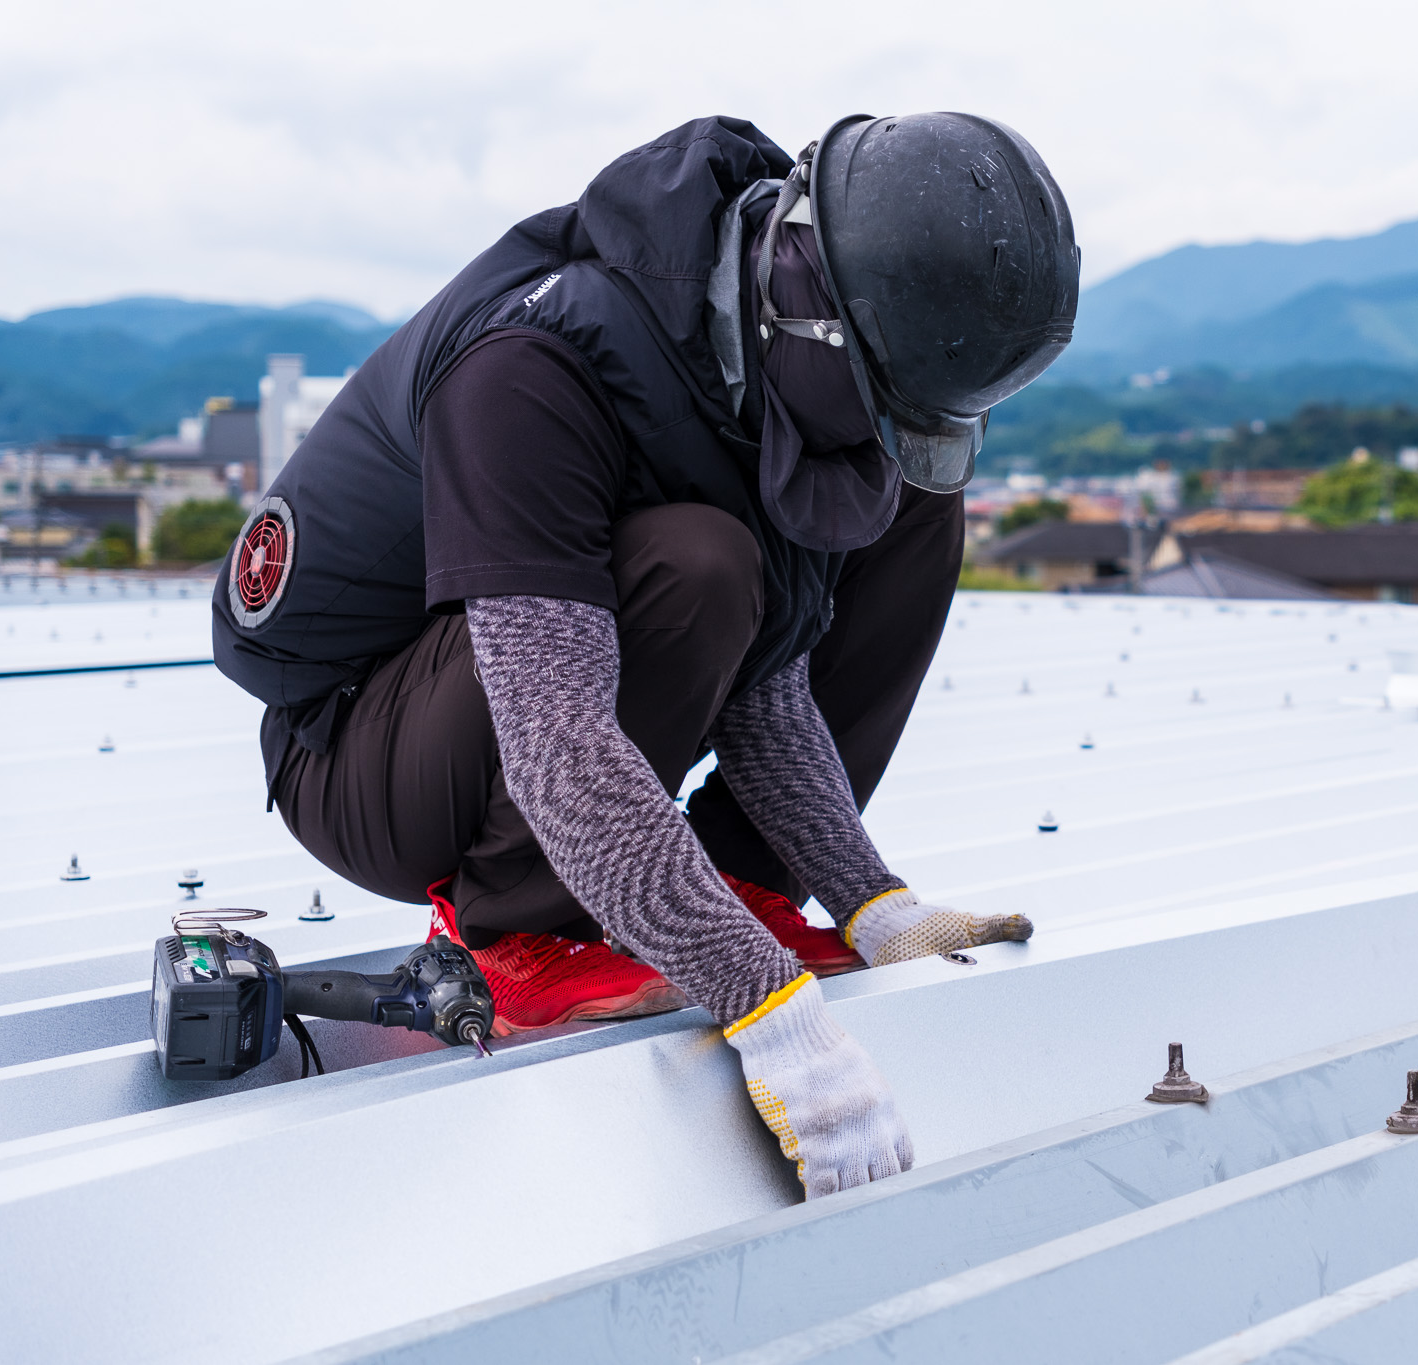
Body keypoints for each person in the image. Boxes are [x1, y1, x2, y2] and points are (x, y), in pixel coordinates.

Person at [211, 114, 1079, 1198]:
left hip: (526, 706)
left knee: (911, 512)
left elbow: (765, 681)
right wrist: (768, 1017)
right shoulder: (534, 368)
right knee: (699, 560)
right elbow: (558, 745)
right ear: (810, 316)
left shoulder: (752, 360)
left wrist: (872, 906)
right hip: (362, 752)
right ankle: (521, 938)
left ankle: (717, 891)